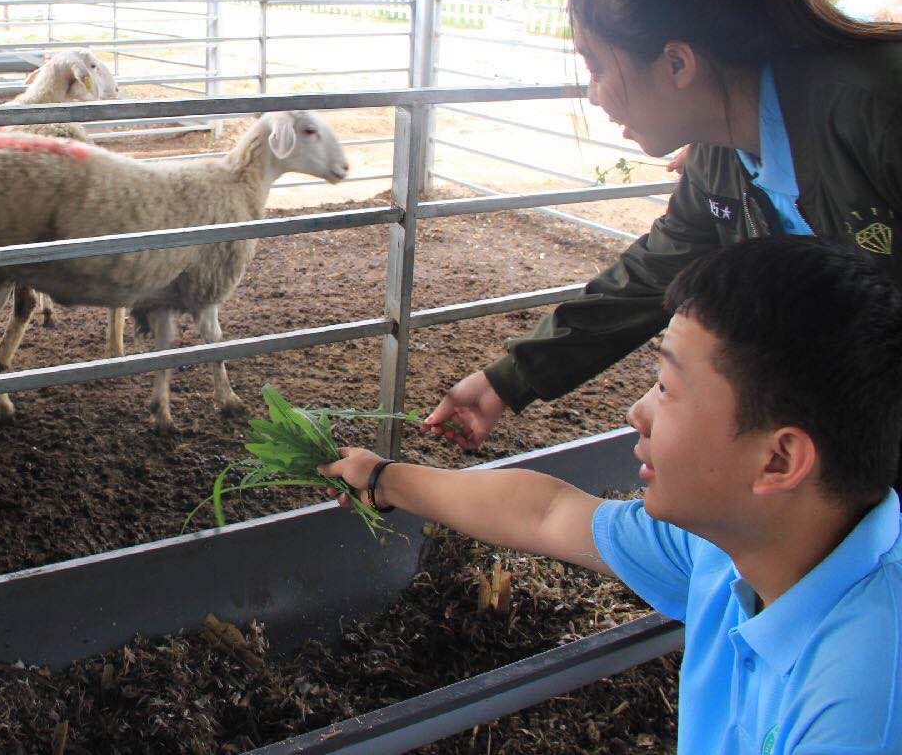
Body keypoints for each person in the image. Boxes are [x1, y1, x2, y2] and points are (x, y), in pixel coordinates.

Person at [322, 238, 902, 755]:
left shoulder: (858, 712)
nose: (635, 411)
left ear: (779, 460)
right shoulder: (735, 547)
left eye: (667, 388)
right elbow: (545, 512)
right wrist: (383, 479)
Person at [426, 0, 902, 453]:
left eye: (598, 68)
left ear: (677, 62)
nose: (594, 96)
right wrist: (506, 379)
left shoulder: (877, 112)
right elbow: (652, 274)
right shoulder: (723, 155)